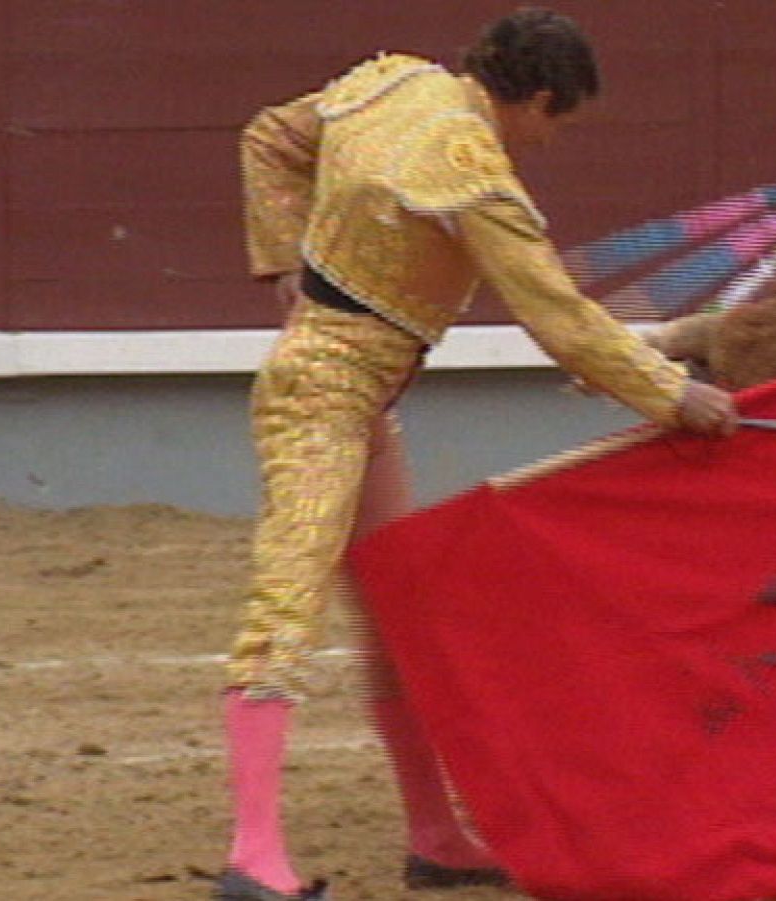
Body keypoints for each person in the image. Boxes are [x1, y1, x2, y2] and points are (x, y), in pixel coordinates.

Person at [218, 8, 738, 899]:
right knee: (285, 608)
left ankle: (435, 835)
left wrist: (286, 276)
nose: (547, 141)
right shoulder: (473, 176)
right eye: (555, 122)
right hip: (320, 400)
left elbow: (270, 137)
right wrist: (674, 395)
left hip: (360, 396)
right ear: (535, 98)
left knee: (401, 612)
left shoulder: (393, 83)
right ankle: (252, 858)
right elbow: (562, 321)